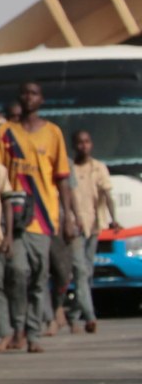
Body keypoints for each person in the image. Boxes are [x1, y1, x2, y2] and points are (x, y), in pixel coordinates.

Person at [0, 81, 76, 353]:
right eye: (25, 92)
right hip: (14, 218)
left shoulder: (53, 133)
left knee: (40, 277)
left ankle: (33, 333)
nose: (28, 97)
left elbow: (63, 179)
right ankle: (18, 328)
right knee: (18, 273)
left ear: (41, 99)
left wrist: (68, 217)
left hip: (43, 217)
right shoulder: (6, 134)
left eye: (34, 93)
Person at [66, 129, 114, 335]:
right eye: (79, 142)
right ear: (74, 145)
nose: (83, 146)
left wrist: (114, 218)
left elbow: (107, 194)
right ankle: (90, 316)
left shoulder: (98, 168)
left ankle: (72, 314)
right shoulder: (68, 168)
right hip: (75, 226)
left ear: (91, 144)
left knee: (87, 272)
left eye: (87, 142)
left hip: (93, 226)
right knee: (80, 271)